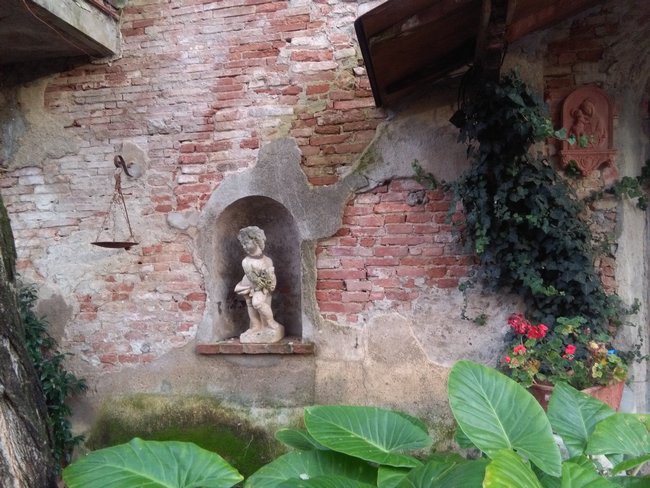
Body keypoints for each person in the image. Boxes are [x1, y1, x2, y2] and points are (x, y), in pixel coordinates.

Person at [235, 226, 284, 343]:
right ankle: (255, 326)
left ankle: (270, 322)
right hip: (250, 284)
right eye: (242, 244)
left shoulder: (267, 260)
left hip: (262, 287)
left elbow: (271, 275)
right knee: (250, 304)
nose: (244, 246)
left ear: (256, 241)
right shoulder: (246, 261)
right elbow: (252, 277)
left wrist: (271, 284)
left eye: (246, 243)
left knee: (258, 303)